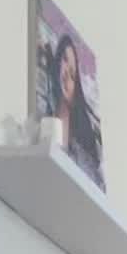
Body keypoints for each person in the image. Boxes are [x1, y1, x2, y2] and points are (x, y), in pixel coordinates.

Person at [47, 33, 103, 182]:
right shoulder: (42, 120)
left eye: (72, 75)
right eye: (65, 59)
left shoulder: (82, 157)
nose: (66, 73)